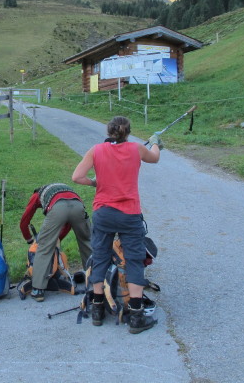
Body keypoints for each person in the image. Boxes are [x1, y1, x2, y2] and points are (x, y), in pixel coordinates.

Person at [72, 116, 162, 334]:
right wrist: (156, 142)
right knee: (134, 260)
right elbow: (155, 158)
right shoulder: (137, 149)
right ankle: (136, 315)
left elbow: (77, 177)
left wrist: (95, 182)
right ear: (128, 132)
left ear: (109, 131)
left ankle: (97, 309)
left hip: (103, 213)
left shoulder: (97, 150)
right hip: (129, 214)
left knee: (100, 257)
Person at [19, 183, 92, 302]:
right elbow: (67, 224)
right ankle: (96, 281)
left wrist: (29, 239)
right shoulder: (62, 188)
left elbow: (25, 220)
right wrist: (57, 239)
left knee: (43, 246)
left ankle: (38, 289)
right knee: (87, 241)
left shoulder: (37, 195)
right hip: (78, 205)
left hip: (58, 208)